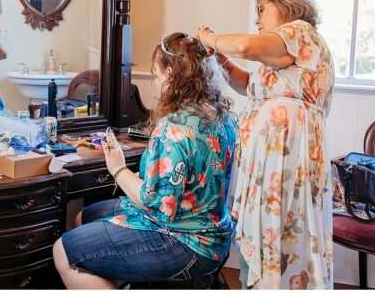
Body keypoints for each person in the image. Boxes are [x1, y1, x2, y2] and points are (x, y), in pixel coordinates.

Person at [53, 32, 238, 288]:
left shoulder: (173, 129)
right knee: (84, 217)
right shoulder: (224, 117)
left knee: (62, 250)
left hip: (187, 241)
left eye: (156, 75)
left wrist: (118, 168)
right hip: (216, 231)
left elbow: (158, 204)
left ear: (171, 74)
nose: (155, 82)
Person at [198, 0, 334, 289]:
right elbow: (248, 85)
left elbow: (246, 46)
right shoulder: (282, 53)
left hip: (287, 156)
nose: (257, 19)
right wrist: (219, 57)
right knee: (264, 233)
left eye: (262, 10)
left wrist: (211, 39)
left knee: (282, 232)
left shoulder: (300, 33)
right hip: (270, 160)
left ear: (287, 7)